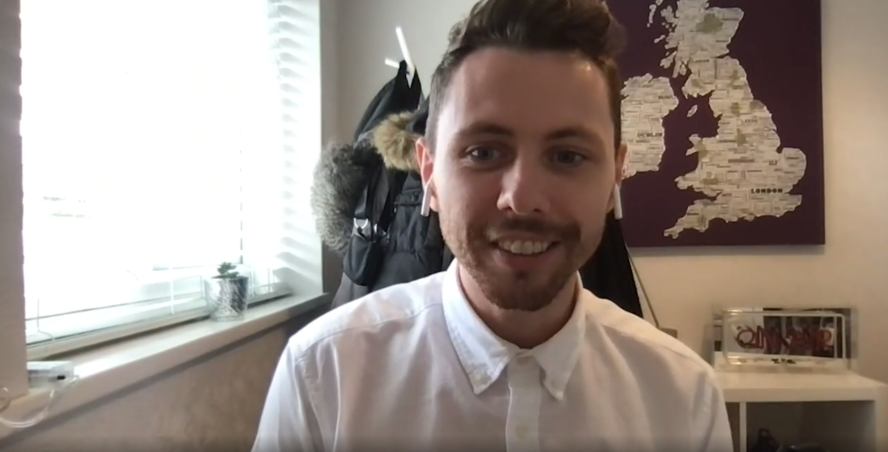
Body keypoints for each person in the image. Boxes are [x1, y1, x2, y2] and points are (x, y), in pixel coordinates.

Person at [253, 0, 733, 451]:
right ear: (429, 173)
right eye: (483, 152)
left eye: (568, 156)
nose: (522, 198)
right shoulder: (323, 377)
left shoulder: (683, 399)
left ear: (615, 177)